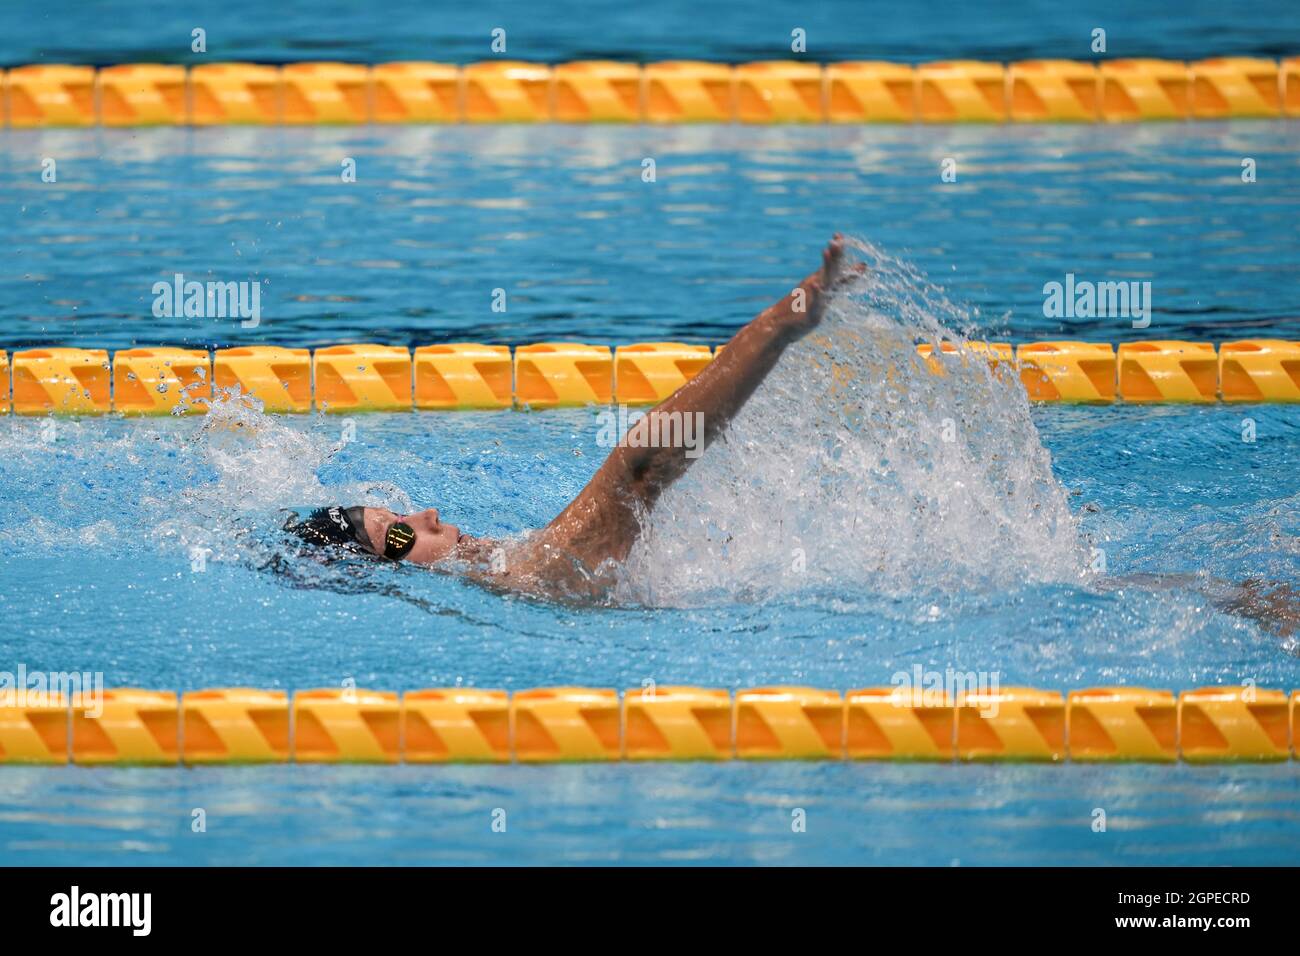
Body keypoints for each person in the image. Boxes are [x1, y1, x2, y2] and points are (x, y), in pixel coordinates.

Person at [288, 235, 852, 598]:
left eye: (401, 514)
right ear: (391, 576)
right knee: (640, 466)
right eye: (398, 533)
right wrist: (784, 325)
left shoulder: (509, 568)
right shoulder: (533, 578)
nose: (427, 513)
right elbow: (643, 462)